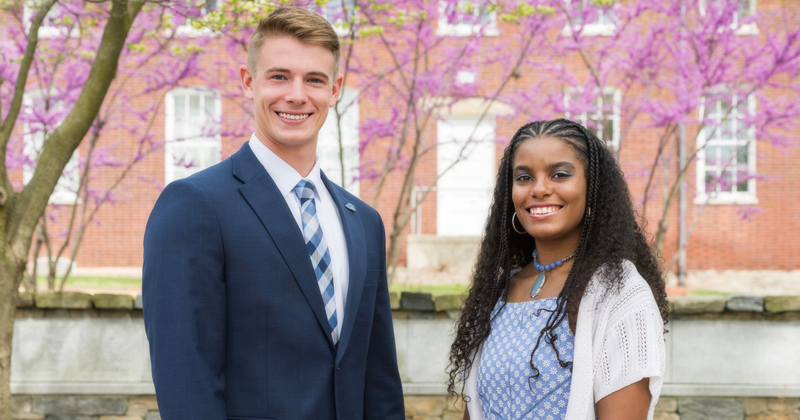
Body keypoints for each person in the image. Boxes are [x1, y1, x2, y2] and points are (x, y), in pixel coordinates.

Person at [142, 7, 404, 420]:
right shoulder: (195, 205)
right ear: (249, 82)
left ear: (335, 90)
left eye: (314, 80)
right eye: (279, 76)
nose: (297, 95)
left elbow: (379, 377)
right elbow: (185, 375)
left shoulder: (363, 222)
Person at [446, 119, 669, 420]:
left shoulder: (619, 293)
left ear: (593, 190)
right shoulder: (498, 293)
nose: (539, 189)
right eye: (524, 178)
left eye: (560, 175)